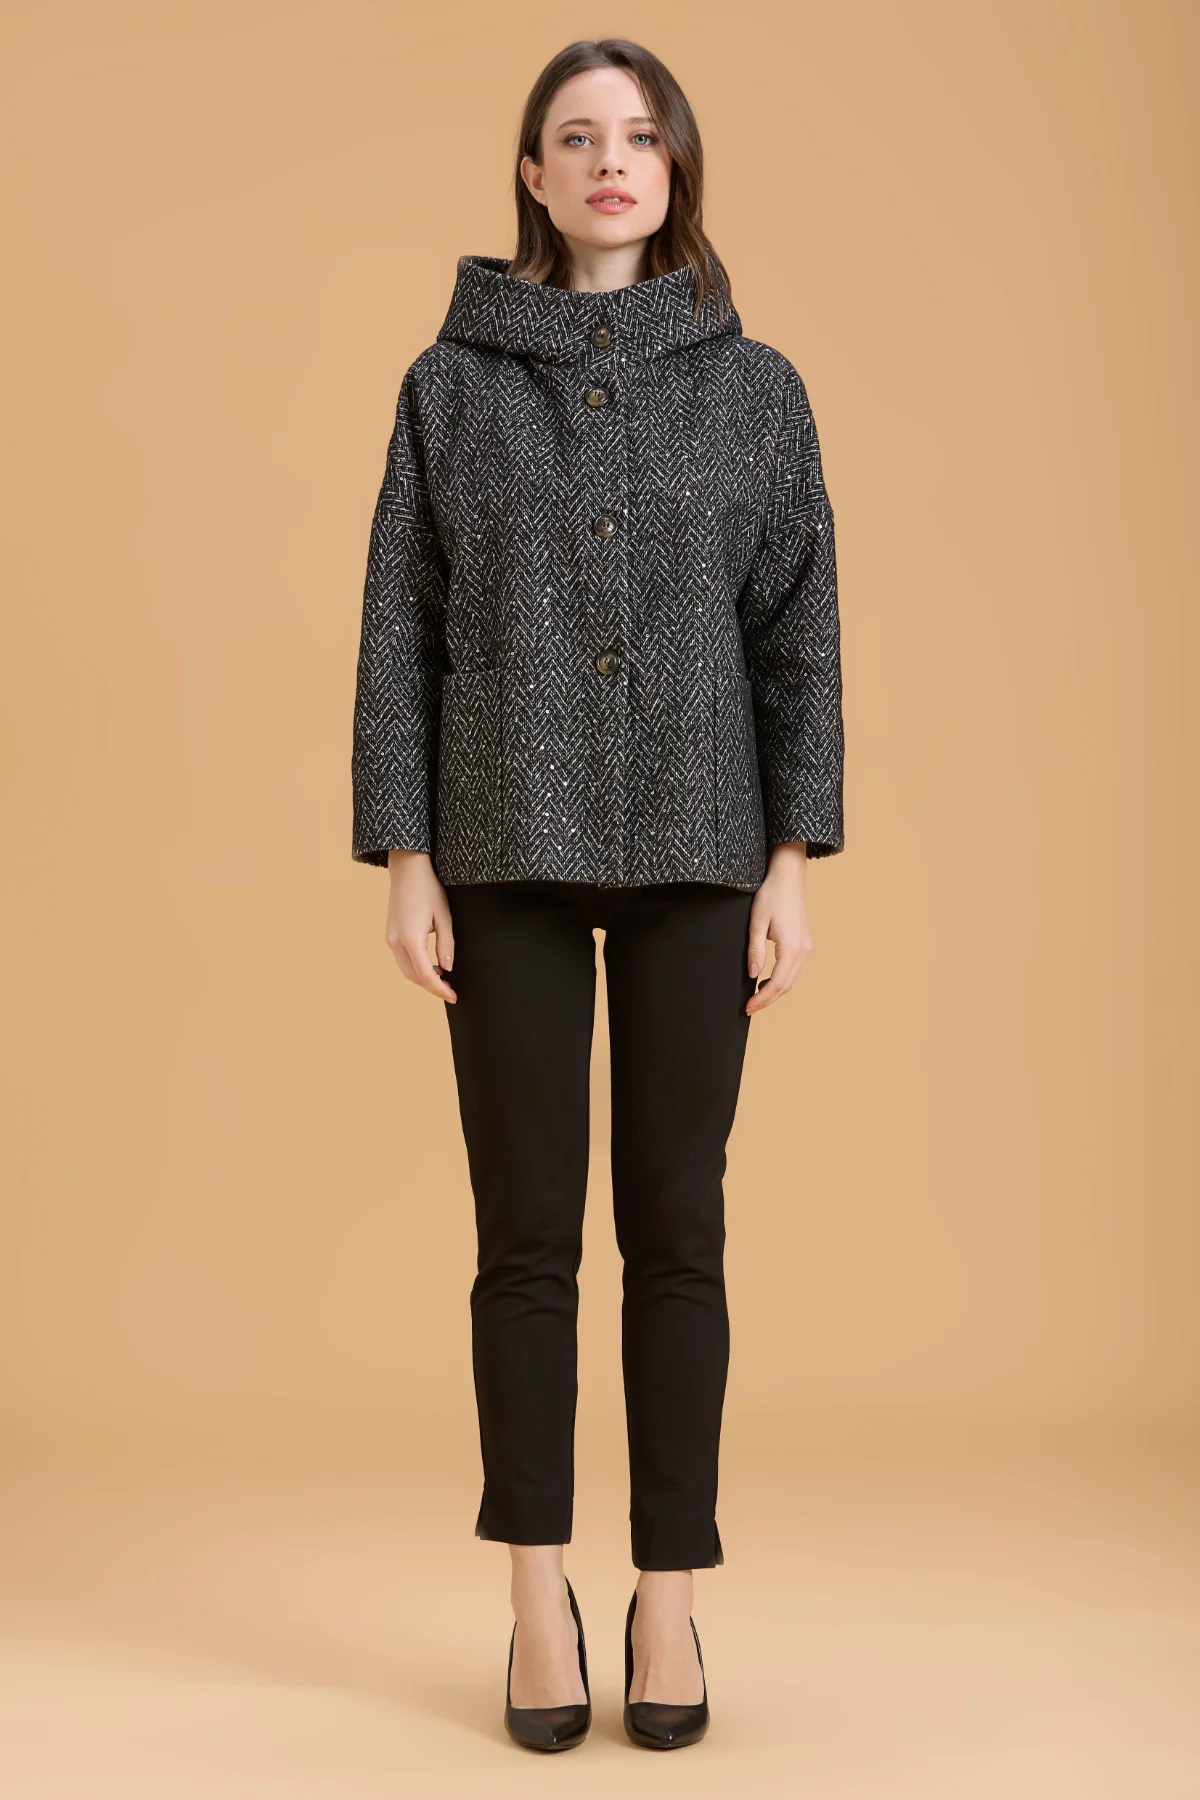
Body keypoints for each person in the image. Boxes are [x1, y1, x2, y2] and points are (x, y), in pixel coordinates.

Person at [350, 37, 844, 1752]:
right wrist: (405, 856)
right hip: (502, 850)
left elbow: (799, 630)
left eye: (639, 134)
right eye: (576, 136)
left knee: (680, 1230)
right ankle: (536, 1599)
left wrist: (793, 862)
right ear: (534, 176)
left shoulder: (757, 388)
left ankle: (670, 1600)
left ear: (674, 166)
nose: (610, 160)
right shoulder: (449, 385)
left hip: (707, 848)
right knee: (527, 1239)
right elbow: (399, 629)